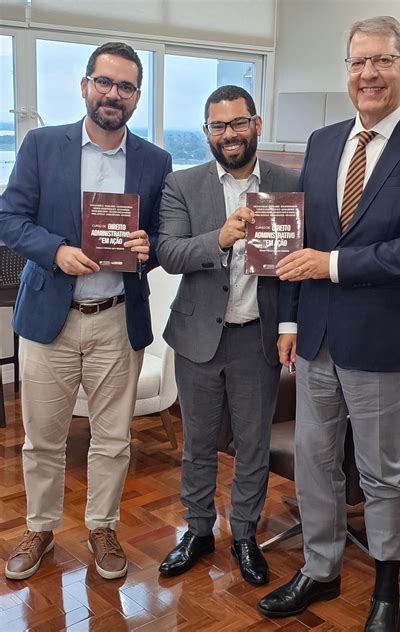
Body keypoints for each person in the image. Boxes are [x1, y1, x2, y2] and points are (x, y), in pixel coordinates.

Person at [257, 16, 400, 631]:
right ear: (346, 71)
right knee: (317, 462)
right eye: (357, 62)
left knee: (383, 472)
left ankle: (386, 588)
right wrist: (289, 322)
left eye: (381, 61)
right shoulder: (323, 143)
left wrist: (333, 265)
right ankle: (321, 570)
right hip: (317, 337)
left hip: (385, 341)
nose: (367, 74)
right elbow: (302, 246)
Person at [0, 41, 172, 581]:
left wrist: (151, 247)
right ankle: (42, 527)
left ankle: (103, 526)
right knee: (42, 438)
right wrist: (53, 250)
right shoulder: (41, 145)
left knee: (114, 438)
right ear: (85, 85)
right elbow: (8, 218)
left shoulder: (155, 161)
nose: (113, 94)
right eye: (105, 82)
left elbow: (166, 239)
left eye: (125, 86)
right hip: (51, 317)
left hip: (118, 318)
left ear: (137, 97)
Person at [157, 85, 299, 585]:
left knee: (254, 444)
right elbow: (169, 252)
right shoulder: (182, 184)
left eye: (238, 123)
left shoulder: (287, 182)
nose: (229, 134)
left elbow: (295, 269)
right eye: (218, 126)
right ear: (206, 132)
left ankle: (244, 534)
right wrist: (218, 237)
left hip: (258, 339)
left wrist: (289, 326)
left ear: (256, 124)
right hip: (198, 336)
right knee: (197, 443)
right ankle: (197, 531)